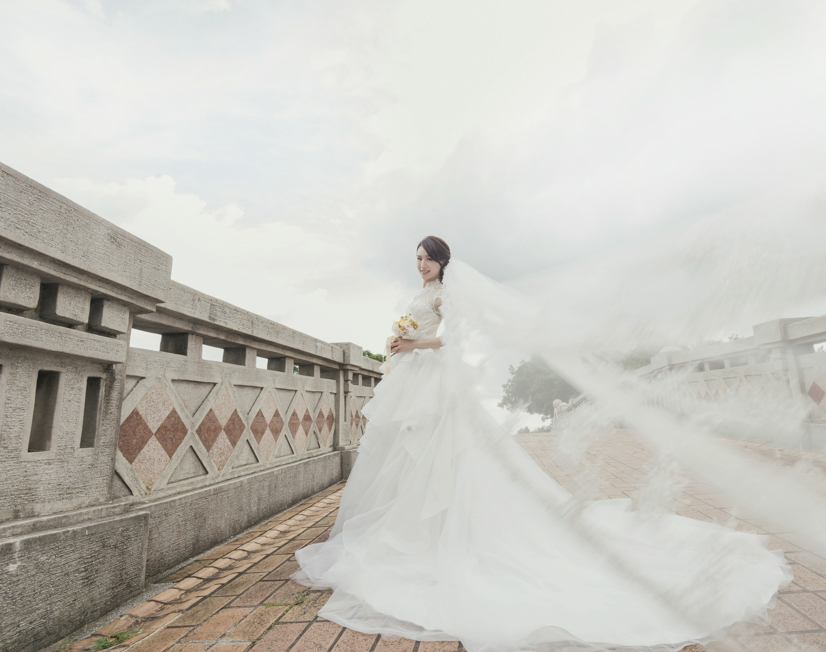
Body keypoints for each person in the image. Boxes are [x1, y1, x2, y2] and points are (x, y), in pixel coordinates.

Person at [293, 236, 791, 651]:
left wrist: (413, 342)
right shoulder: (421, 292)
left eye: (428, 259)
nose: (421, 265)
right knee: (411, 454)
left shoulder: (444, 296)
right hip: (414, 378)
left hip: (432, 378)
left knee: (445, 454)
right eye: (418, 258)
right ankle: (410, 526)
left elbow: (457, 340)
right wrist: (399, 343)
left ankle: (444, 532)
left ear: (443, 263)